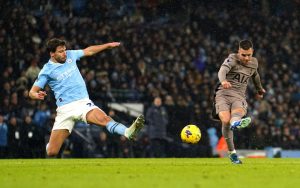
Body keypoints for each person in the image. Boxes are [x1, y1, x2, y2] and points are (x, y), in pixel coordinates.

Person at [29, 38, 145, 157]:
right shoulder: (46, 70)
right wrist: (36, 95)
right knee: (52, 152)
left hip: (82, 104)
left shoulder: (70, 55)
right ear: (52, 53)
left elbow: (88, 51)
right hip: (64, 110)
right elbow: (32, 92)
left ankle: (127, 132)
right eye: (60, 51)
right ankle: (50, 145)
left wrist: (107, 45)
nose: (64, 53)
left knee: (104, 119)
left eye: (64, 50)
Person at [212, 39, 266, 164]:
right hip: (223, 94)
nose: (246, 58)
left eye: (249, 55)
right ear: (238, 52)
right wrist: (223, 81)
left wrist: (259, 89)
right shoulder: (232, 59)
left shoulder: (254, 63)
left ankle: (236, 122)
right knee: (225, 120)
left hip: (239, 96)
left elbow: (255, 75)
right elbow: (222, 71)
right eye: (243, 55)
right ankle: (232, 153)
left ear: (252, 52)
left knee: (237, 113)